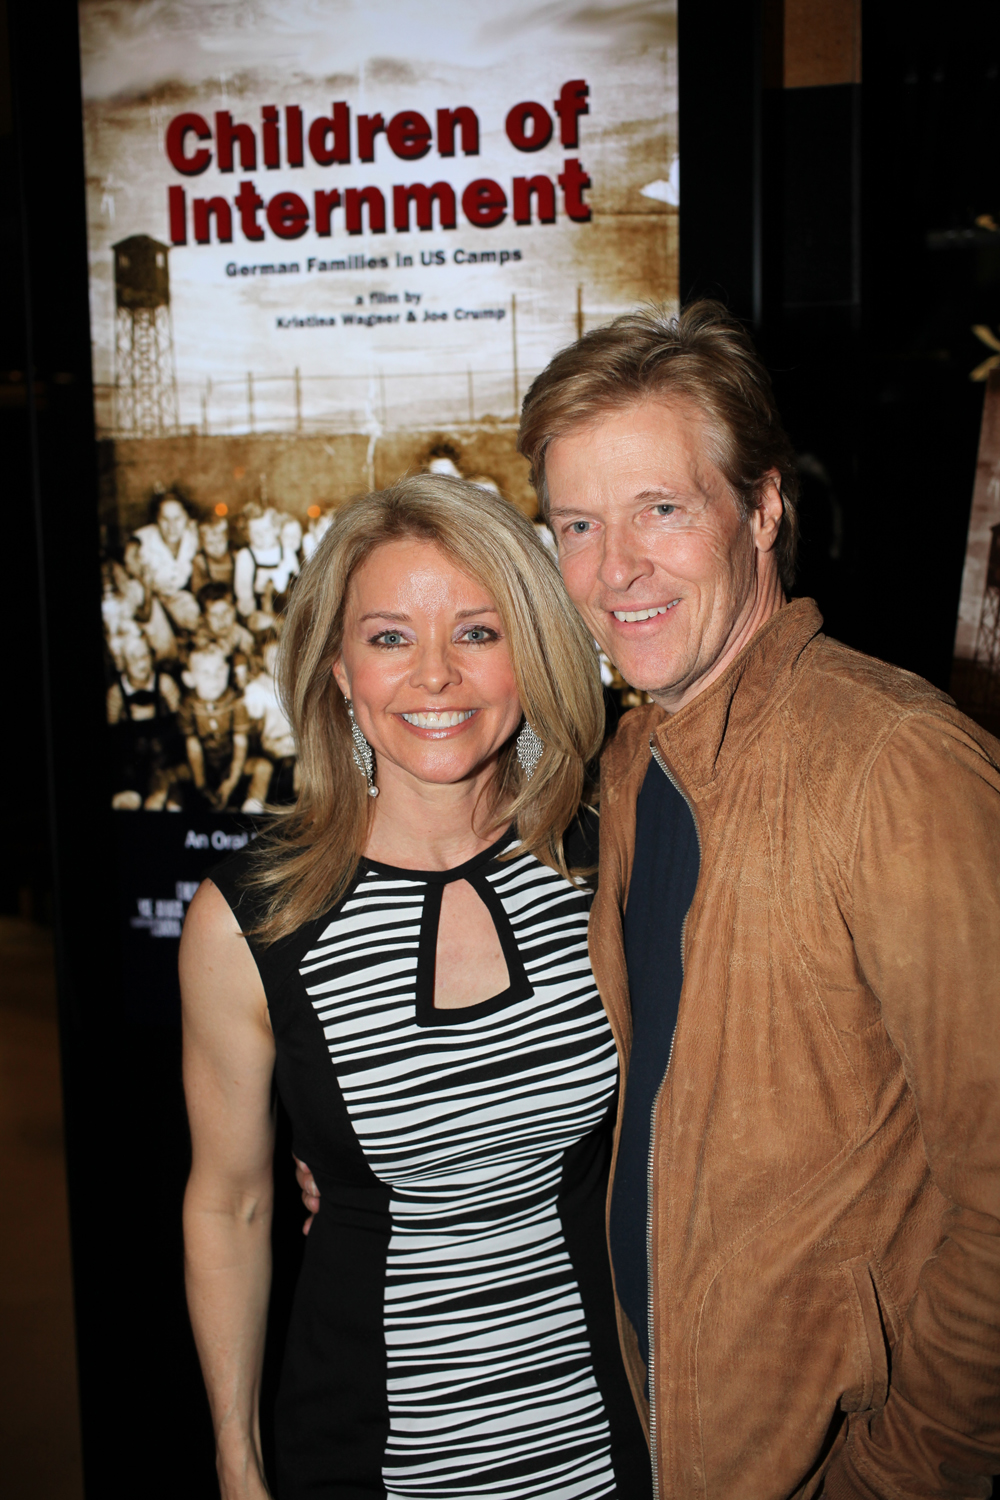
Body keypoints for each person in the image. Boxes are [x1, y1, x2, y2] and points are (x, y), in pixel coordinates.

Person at [510, 301, 1000, 1498]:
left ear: (764, 508)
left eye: (660, 510)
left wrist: (900, 1478)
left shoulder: (893, 764)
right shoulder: (636, 768)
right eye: (578, 524)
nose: (614, 569)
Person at [180, 475, 651, 1500]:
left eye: (478, 632)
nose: (435, 674)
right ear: (339, 670)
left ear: (532, 652)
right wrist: (236, 1462)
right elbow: (232, 1203)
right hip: (370, 1452)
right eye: (390, 637)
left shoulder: (607, 856)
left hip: (621, 1440)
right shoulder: (251, 920)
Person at [125, 491, 201, 650]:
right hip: (147, 596)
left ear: (187, 518)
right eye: (165, 519)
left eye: (177, 519)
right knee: (164, 645)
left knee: (197, 627)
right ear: (156, 520)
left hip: (176, 595)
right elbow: (129, 560)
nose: (172, 526)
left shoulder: (192, 538)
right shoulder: (142, 540)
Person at [178, 645, 249, 810]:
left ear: (227, 670)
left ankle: (252, 808)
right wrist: (201, 784)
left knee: (262, 767)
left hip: (231, 764)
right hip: (201, 767)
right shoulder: (187, 705)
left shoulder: (235, 701)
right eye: (205, 674)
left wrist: (231, 781)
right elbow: (193, 746)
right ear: (189, 678)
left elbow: (240, 743)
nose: (214, 679)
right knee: (168, 776)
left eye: (219, 671)